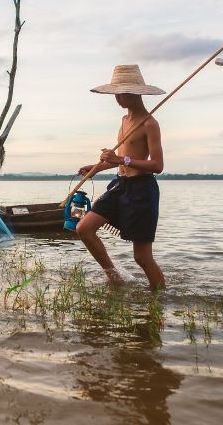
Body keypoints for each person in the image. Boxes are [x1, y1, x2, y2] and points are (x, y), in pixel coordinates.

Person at [75, 64, 167, 291]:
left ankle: (160, 297)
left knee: (142, 257)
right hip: (121, 185)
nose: (117, 98)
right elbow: (120, 160)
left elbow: (157, 165)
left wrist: (121, 160)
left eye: (121, 93)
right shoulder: (124, 121)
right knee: (84, 228)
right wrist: (95, 168)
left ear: (135, 93)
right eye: (115, 93)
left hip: (142, 190)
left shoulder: (150, 124)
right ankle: (114, 276)